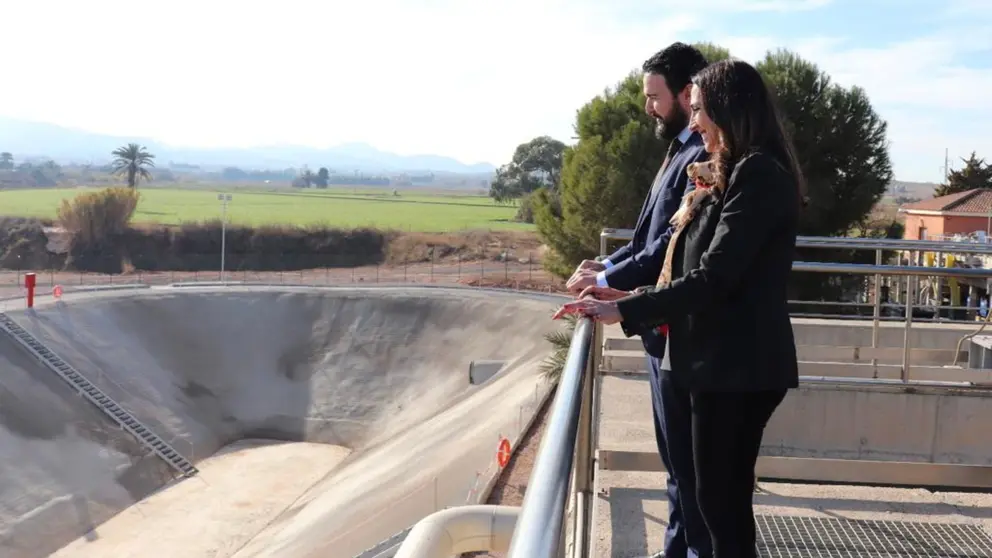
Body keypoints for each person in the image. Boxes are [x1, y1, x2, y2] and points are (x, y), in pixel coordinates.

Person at [554, 58, 805, 557]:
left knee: (719, 508)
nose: (693, 124)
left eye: (700, 111)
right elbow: (685, 260)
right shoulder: (737, 171)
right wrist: (625, 296)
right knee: (715, 503)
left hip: (736, 369)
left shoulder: (758, 175)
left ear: (730, 111)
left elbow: (715, 277)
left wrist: (627, 310)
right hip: (720, 364)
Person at [565, 42, 712, 558]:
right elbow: (645, 236)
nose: (647, 106)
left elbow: (661, 253)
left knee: (690, 473)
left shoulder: (701, 158)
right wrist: (603, 267)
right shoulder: (677, 149)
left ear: (687, 92)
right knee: (677, 465)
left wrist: (614, 282)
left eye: (655, 96)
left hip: (677, 330)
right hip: (661, 330)